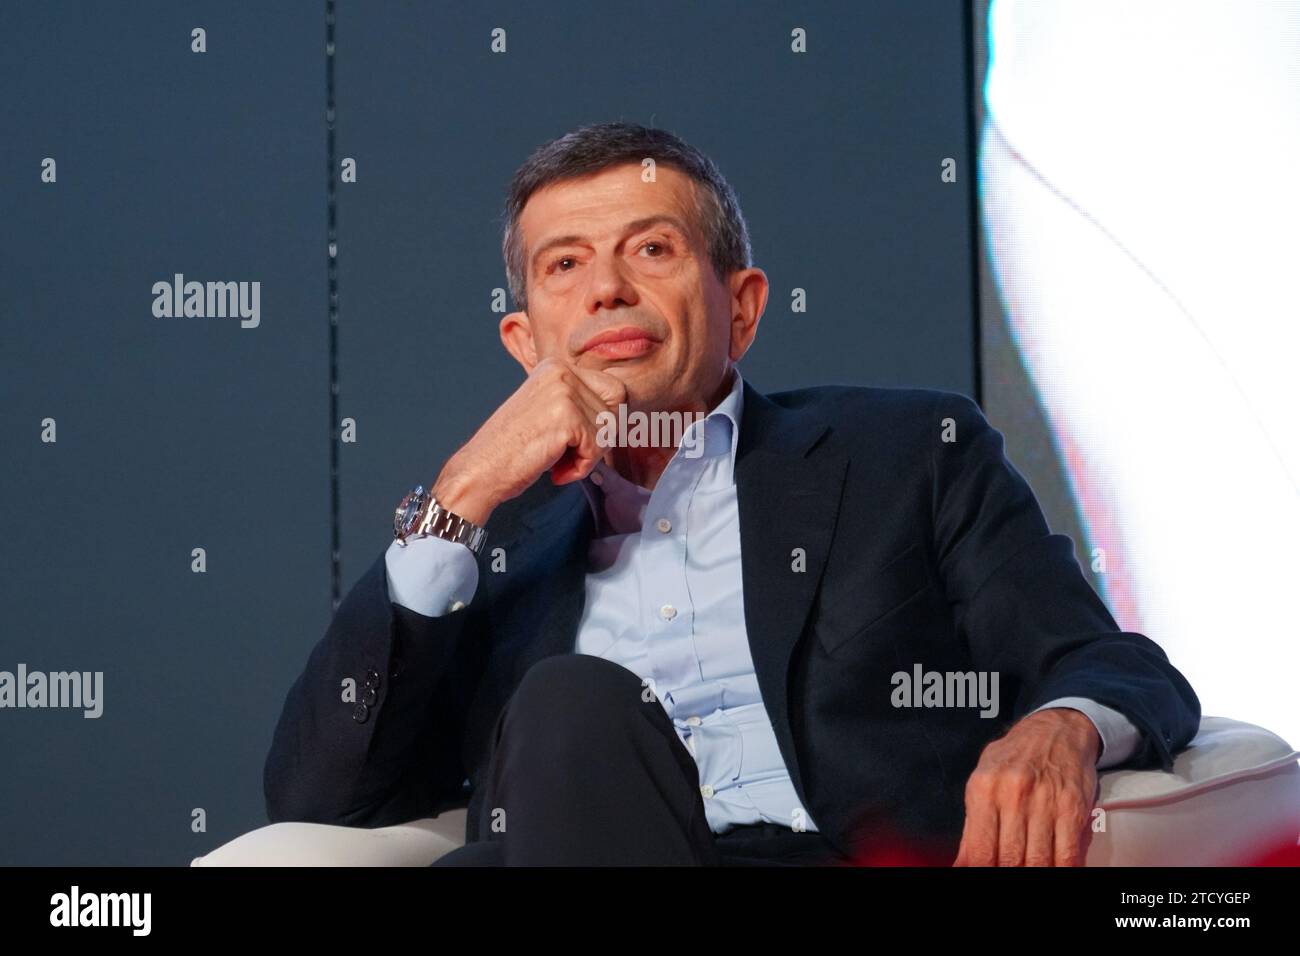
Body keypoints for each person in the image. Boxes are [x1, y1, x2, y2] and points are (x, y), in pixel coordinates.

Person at [264, 122, 1199, 866]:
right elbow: (319, 796)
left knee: (566, 703)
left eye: (652, 249)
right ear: (523, 343)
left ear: (742, 307)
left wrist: (1062, 725)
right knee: (571, 708)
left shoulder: (909, 454)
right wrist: (460, 494)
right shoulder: (488, 549)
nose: (606, 291)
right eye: (565, 266)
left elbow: (1116, 665)